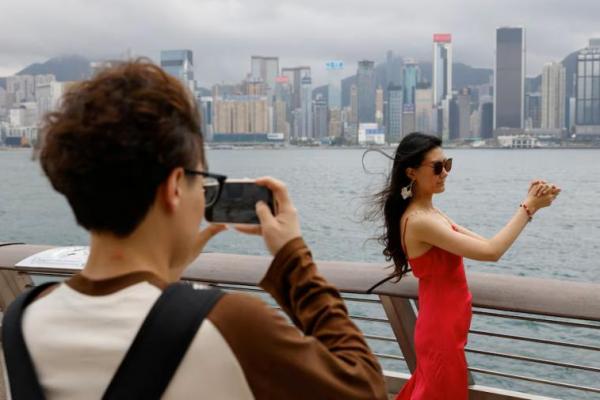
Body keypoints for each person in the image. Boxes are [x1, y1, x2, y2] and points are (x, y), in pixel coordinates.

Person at [7, 60, 387, 399]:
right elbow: (364, 387)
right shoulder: (231, 325)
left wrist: (167, 267)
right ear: (175, 187)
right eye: (201, 181)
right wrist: (293, 257)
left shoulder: (19, 324)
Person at [368, 132, 560, 400]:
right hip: (440, 336)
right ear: (411, 172)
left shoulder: (430, 213)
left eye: (447, 164)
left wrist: (531, 202)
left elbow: (485, 243)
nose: (445, 172)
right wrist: (528, 208)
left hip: (444, 331)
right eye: (437, 167)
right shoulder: (420, 220)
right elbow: (492, 252)